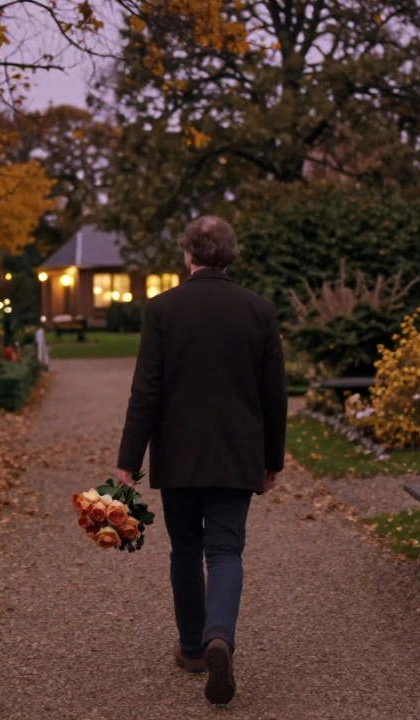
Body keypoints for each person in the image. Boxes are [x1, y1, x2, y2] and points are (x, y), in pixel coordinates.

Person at [115, 215, 287, 705]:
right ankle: (220, 637)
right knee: (226, 551)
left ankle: (192, 649)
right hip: (237, 455)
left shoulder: (163, 309)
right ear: (229, 255)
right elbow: (275, 396)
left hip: (180, 454)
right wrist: (271, 458)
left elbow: (145, 391)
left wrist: (130, 458)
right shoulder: (259, 310)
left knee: (186, 549)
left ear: (188, 256)